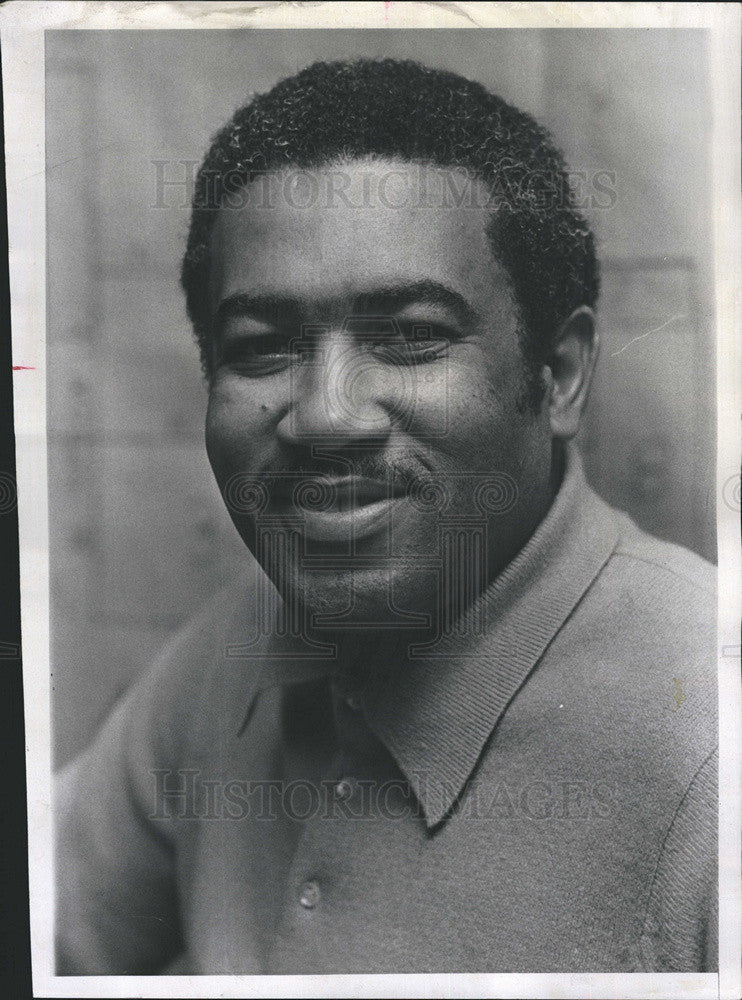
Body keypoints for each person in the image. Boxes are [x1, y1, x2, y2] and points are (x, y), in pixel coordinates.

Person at [55, 58, 717, 974]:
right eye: (264, 347)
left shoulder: (711, 746)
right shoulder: (230, 653)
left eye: (410, 336)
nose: (327, 415)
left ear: (558, 376)